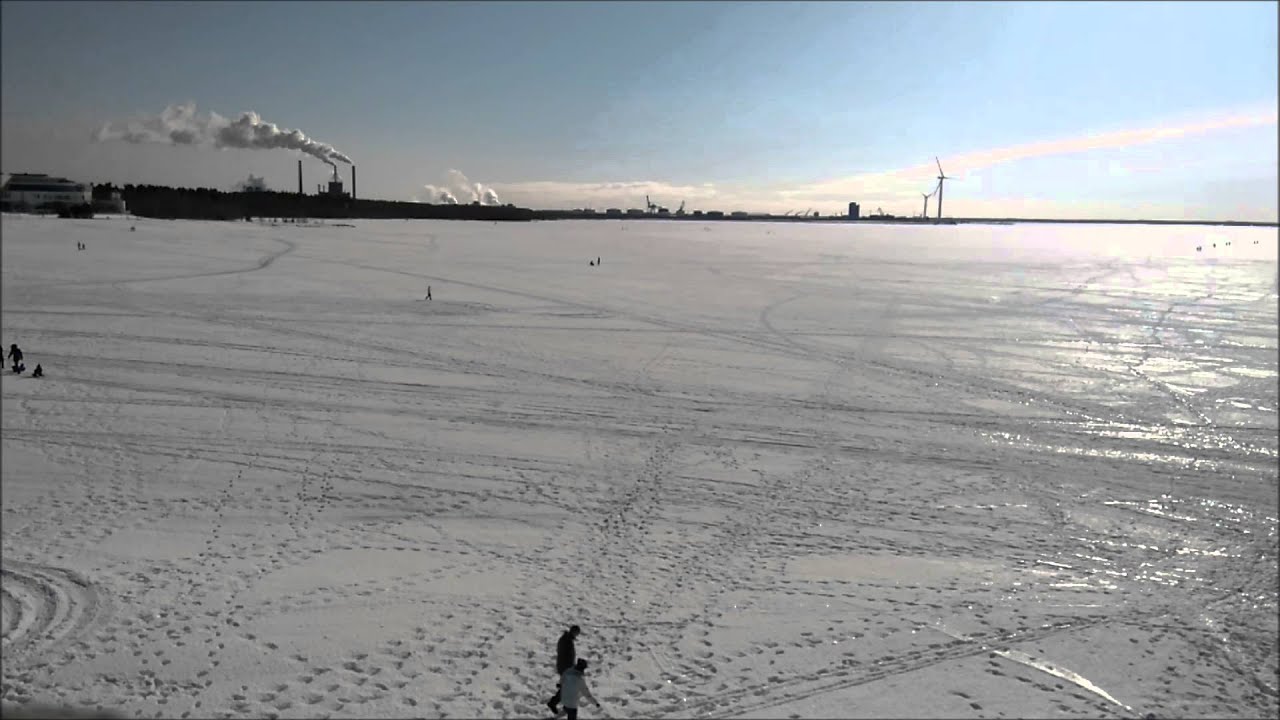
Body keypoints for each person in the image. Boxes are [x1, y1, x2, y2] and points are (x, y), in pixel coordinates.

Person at [546, 625, 580, 714]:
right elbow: (567, 657)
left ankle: (559, 704)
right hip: (566, 668)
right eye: (577, 633)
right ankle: (554, 703)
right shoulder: (567, 641)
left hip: (563, 666)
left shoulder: (564, 638)